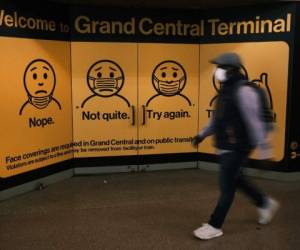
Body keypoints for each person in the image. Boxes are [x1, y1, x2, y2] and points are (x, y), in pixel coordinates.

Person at [191, 52, 279, 240]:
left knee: (227, 186)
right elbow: (217, 120)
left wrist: (265, 151)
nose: (216, 71)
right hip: (227, 145)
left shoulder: (243, 91)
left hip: (238, 146)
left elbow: (254, 122)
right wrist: (201, 135)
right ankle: (264, 202)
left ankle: (215, 225)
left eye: (219, 67)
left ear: (230, 69)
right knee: (236, 180)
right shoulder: (225, 91)